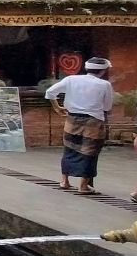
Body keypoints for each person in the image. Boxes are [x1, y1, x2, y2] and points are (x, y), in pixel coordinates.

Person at [45, 57, 114, 194]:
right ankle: (83, 186)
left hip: (72, 119)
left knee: (70, 148)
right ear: (103, 71)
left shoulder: (71, 79)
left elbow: (50, 92)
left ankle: (64, 181)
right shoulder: (104, 85)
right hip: (94, 121)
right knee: (90, 151)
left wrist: (58, 108)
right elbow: (107, 106)